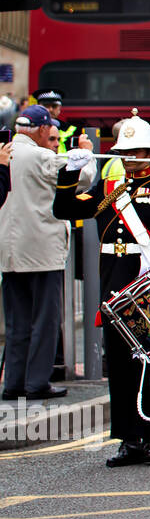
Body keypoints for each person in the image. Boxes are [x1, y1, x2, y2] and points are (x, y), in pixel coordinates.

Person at [54, 111, 150, 466]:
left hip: (147, 285)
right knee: (118, 366)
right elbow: (64, 208)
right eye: (126, 151)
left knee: (148, 363)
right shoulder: (108, 189)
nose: (132, 158)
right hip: (114, 286)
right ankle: (128, 440)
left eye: (139, 151)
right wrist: (70, 172)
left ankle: (148, 438)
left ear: (149, 153)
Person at [0, 106, 92, 401]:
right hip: (41, 250)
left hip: (9, 251)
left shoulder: (4, 153)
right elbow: (81, 181)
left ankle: (14, 382)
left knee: (16, 321)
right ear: (41, 129)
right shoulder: (42, 157)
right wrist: (86, 156)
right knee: (44, 319)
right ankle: (37, 382)